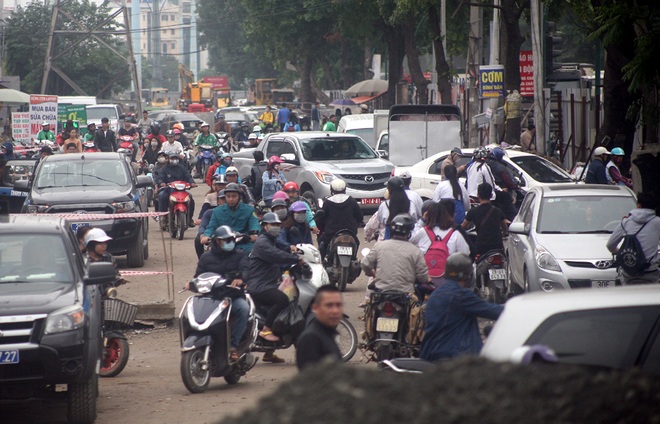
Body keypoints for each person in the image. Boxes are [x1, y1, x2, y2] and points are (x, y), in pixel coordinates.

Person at [420, 253, 504, 361]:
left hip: (431, 354)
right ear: (468, 275)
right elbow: (492, 311)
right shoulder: (460, 295)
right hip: (454, 358)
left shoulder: (436, 294)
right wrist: (518, 309)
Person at [193, 226, 250, 361]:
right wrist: (191, 283)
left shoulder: (240, 254)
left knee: (244, 309)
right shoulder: (206, 257)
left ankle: (234, 346)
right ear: (217, 241)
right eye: (225, 240)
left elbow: (246, 270)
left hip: (233, 296)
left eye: (231, 239)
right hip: (211, 297)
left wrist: (241, 279)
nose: (229, 242)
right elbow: (198, 276)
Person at [246, 212, 300, 344]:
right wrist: (296, 258)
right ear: (265, 226)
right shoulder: (262, 242)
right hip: (259, 285)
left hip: (268, 283)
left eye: (278, 225)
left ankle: (269, 351)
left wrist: (291, 248)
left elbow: (281, 247)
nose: (276, 227)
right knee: (282, 299)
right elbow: (276, 255)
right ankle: (266, 330)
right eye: (273, 224)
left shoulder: (271, 240)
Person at [361, 213, 430, 293]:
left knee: (371, 301)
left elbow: (365, 263)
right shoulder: (415, 251)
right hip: (405, 294)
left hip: (381, 292)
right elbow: (422, 276)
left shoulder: (379, 246)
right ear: (409, 232)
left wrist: (373, 274)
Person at [410, 202, 471, 288]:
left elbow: (410, 240)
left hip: (424, 279)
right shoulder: (454, 233)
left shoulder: (423, 231)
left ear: (429, 215)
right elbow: (466, 252)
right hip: (447, 279)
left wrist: (422, 221)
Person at [606, 192, 660, 285]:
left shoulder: (626, 222)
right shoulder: (657, 222)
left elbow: (610, 245)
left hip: (629, 273)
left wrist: (619, 251)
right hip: (650, 272)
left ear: (638, 205)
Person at [295, 285, 343, 370]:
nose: (335, 311)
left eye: (338, 305)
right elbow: (310, 379)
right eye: (329, 305)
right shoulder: (310, 339)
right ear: (315, 308)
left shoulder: (328, 333)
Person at [201, 183, 261, 252]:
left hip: (243, 244)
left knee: (253, 253)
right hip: (222, 243)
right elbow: (211, 227)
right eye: (228, 196)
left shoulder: (249, 210)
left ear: (239, 197)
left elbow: (254, 224)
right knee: (208, 256)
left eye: (234, 196)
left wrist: (254, 234)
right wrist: (206, 236)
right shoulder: (217, 211)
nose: (231, 199)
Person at [317, 179, 363, 258]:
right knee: (357, 243)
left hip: (331, 235)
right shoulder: (352, 201)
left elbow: (321, 219)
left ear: (331, 190)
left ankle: (325, 261)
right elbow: (360, 217)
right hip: (350, 233)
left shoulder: (327, 203)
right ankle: (353, 258)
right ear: (345, 189)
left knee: (321, 242)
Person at [461, 183, 508, 257]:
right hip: (497, 247)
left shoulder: (473, 211)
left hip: (481, 247)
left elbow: (463, 227)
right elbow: (504, 226)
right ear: (491, 196)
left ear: (478, 195)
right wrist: (505, 233)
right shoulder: (498, 211)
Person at [154, 152, 197, 226]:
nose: (174, 160)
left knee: (190, 199)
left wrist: (192, 183)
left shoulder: (182, 168)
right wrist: (162, 183)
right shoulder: (164, 169)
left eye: (176, 158)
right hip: (168, 190)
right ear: (168, 159)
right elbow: (160, 178)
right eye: (172, 158)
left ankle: (189, 218)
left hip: (181, 191)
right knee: (162, 196)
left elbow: (188, 176)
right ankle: (163, 217)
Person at [487, 147, 519, 221]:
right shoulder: (500, 167)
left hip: (493, 192)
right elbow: (508, 181)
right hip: (502, 192)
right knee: (512, 211)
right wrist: (515, 186)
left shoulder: (487, 164)